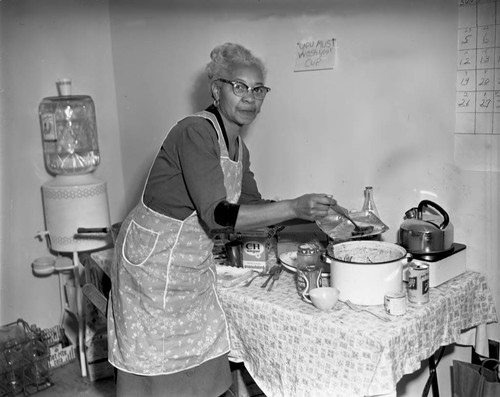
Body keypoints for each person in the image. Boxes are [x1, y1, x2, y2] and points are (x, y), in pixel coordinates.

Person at [107, 42, 338, 397]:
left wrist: (318, 216)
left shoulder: (239, 149)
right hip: (153, 262)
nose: (250, 97)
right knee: (159, 366)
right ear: (217, 90)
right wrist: (295, 207)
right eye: (239, 86)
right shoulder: (195, 132)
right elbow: (218, 215)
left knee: (205, 356)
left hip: (190, 262)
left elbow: (254, 208)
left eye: (258, 89)